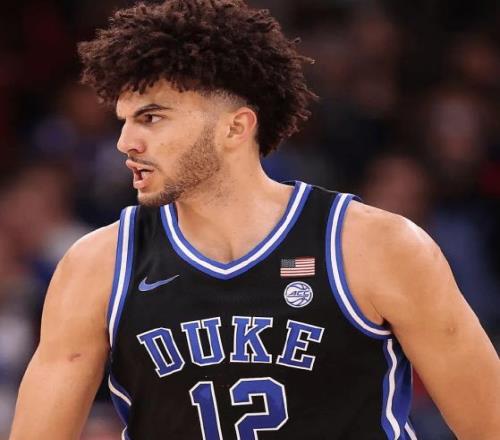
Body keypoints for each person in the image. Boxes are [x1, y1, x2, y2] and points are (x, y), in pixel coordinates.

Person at [9, 1, 500, 439]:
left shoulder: (375, 246)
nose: (125, 142)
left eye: (151, 118)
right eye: (125, 120)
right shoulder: (98, 266)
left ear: (235, 127)